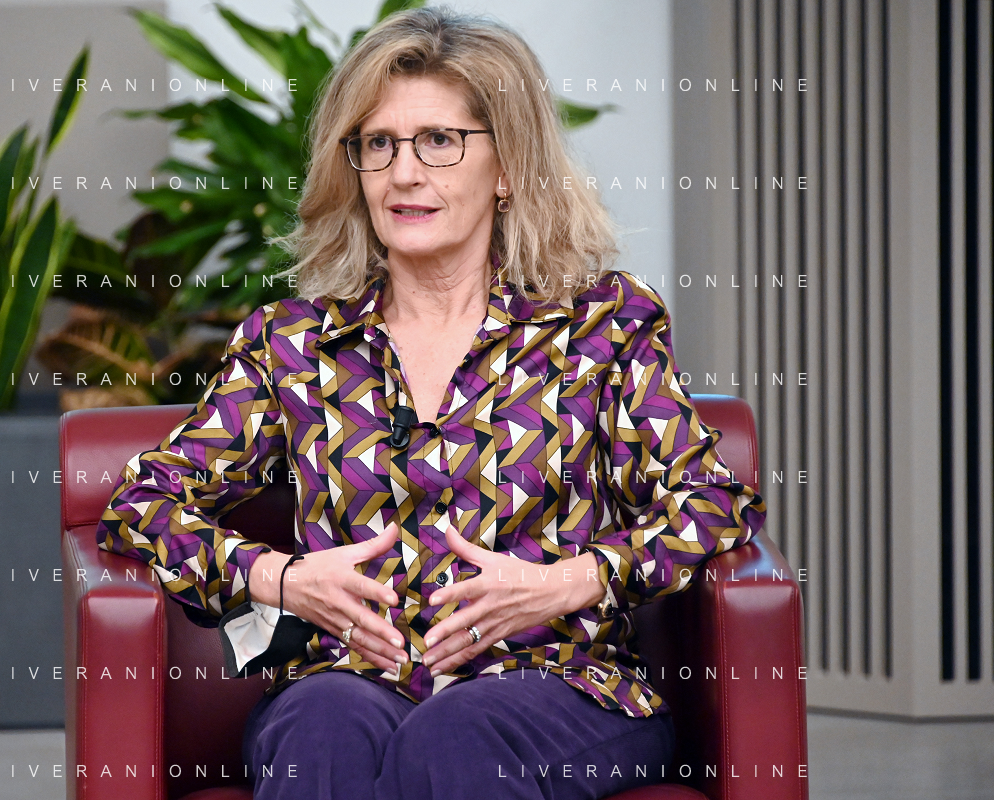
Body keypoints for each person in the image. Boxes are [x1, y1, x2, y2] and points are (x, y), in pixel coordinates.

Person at [95, 6, 767, 799]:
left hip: (558, 681)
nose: (403, 173)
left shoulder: (600, 326)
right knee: (321, 728)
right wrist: (278, 578)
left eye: (439, 141)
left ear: (507, 167)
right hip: (348, 678)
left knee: (455, 736)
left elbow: (712, 503)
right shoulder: (294, 344)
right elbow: (142, 504)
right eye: (378, 144)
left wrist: (569, 582)